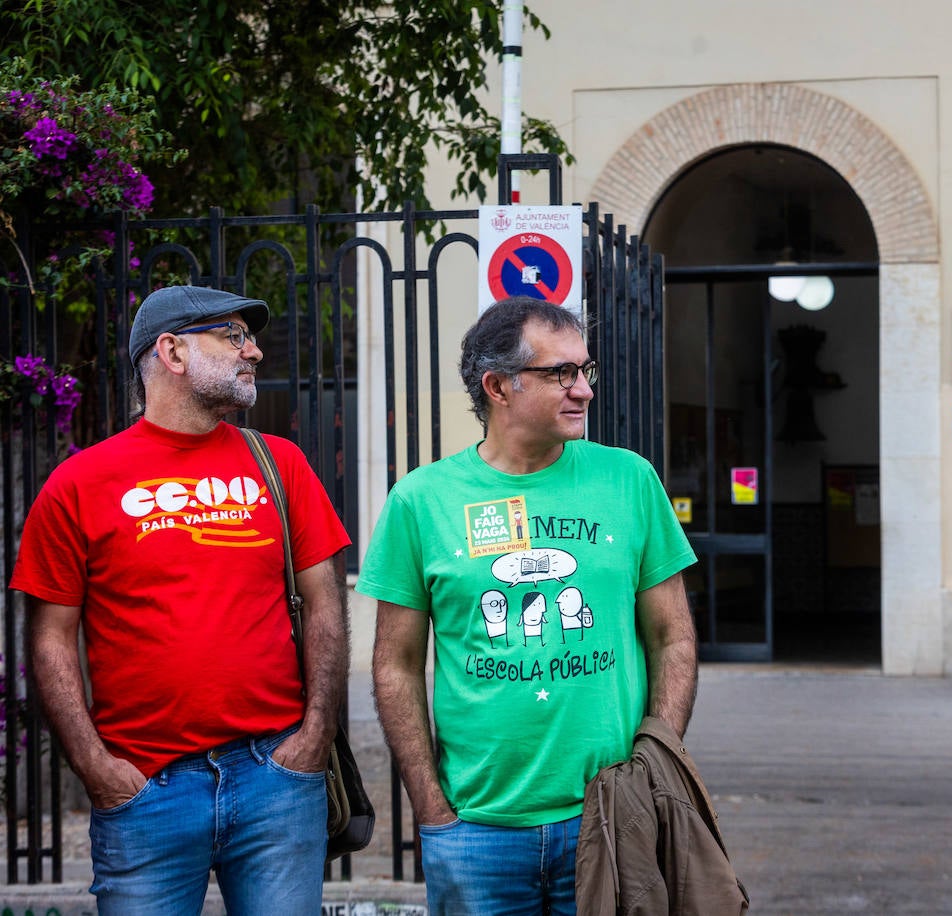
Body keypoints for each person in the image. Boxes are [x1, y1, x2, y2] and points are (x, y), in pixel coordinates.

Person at [10, 285, 351, 915]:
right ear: (171, 350)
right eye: (233, 335)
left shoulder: (281, 464)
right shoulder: (79, 484)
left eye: (250, 337)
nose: (253, 351)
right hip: (146, 790)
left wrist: (314, 736)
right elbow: (50, 636)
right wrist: (96, 768)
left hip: (274, 776)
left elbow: (326, 604)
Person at [362, 296, 698, 916]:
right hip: (476, 831)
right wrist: (432, 808)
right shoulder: (422, 501)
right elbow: (395, 665)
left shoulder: (629, 480)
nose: (583, 390)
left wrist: (656, 767)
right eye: (560, 373)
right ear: (498, 387)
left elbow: (672, 637)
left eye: (584, 370)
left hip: (608, 817)